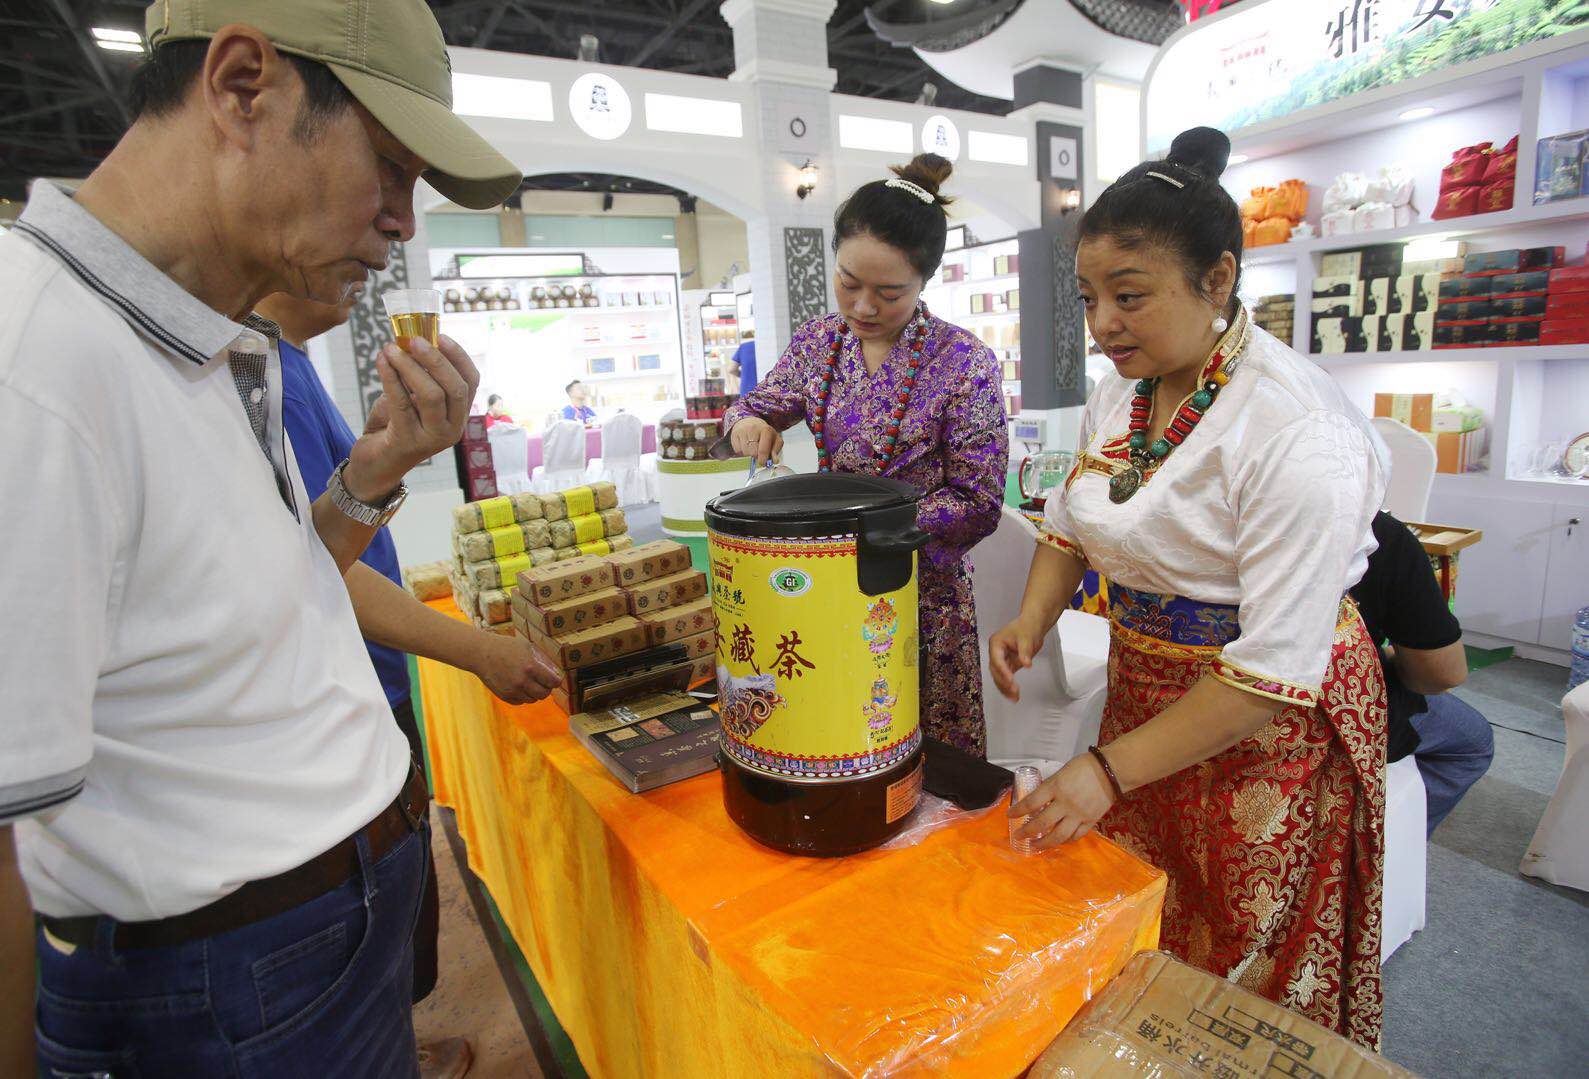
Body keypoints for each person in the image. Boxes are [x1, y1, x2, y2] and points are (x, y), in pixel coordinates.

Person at [0, 2, 522, 1075]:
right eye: (389, 167)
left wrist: (372, 477)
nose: (403, 221)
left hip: (313, 946)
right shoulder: (37, 366)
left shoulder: (208, 336)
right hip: (213, 987)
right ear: (243, 85)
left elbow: (267, 590)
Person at [989, 128, 1389, 1047]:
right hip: (1149, 689)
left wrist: (1103, 770)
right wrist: (1032, 614)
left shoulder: (1294, 428)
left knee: (1252, 956)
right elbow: (1070, 521)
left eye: (1129, 298)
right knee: (1151, 917)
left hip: (1269, 723)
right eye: (1089, 299)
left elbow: (1272, 671)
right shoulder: (1122, 392)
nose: (1103, 325)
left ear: (1216, 280)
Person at [258, 290, 561, 1078]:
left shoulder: (282, 358)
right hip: (329, 702)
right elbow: (313, 571)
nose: (391, 228)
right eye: (378, 187)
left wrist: (380, 460)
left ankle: (391, 1037)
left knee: (393, 906)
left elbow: (320, 541)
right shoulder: (244, 373)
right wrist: (474, 648)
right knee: (358, 930)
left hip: (366, 687)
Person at [726, 154, 1009, 755]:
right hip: (830, 586)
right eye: (848, 283)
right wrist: (750, 421)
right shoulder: (821, 341)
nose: (862, 307)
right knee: (837, 737)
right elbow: (762, 401)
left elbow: (978, 500)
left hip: (920, 590)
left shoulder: (964, 362)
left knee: (924, 754)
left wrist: (874, 529)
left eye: (889, 292)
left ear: (926, 280)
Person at [1351, 511, 1493, 833]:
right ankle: (1375, 850)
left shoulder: (1214, 519)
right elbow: (1441, 675)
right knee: (1474, 741)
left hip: (1221, 709)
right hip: (1330, 719)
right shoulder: (1370, 532)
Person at [731, 330, 758, 395]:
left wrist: (744, 375)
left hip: (746, 390)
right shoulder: (764, 346)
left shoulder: (743, 347)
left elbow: (732, 369)